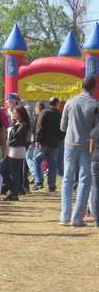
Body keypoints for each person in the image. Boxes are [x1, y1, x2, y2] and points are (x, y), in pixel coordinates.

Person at [60, 77, 99, 227]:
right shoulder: (95, 104)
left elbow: (63, 126)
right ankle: (77, 218)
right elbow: (96, 131)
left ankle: (64, 216)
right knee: (84, 180)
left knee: (67, 179)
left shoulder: (70, 102)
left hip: (69, 143)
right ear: (94, 88)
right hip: (86, 145)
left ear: (81, 86)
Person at [32, 97, 62, 191]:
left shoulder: (44, 112)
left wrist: (37, 139)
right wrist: (60, 139)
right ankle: (52, 185)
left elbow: (39, 126)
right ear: (57, 104)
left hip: (43, 142)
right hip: (54, 143)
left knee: (36, 160)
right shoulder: (59, 114)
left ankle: (38, 182)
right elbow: (63, 128)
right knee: (52, 164)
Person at [5, 105, 30, 201]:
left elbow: (16, 136)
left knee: (14, 172)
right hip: (10, 149)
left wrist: (13, 126)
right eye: (14, 113)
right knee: (7, 171)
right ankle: (13, 191)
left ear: (21, 114)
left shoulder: (24, 125)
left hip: (17, 150)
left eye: (16, 113)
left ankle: (14, 193)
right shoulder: (15, 123)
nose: (14, 115)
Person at [89, 124, 99, 227]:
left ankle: (97, 219)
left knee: (96, 189)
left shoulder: (94, 131)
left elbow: (90, 150)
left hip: (95, 160)